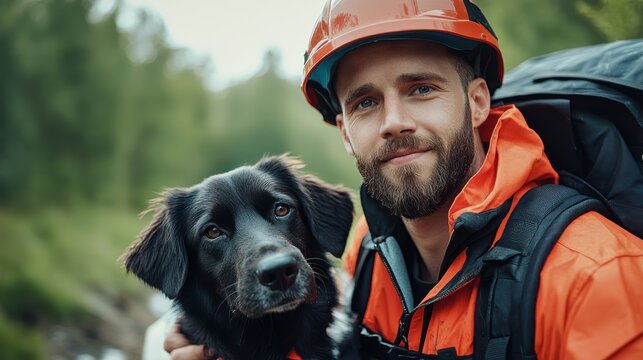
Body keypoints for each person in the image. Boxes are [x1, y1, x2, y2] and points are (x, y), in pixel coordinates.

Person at [163, 0, 643, 358]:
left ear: (478, 102)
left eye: (421, 88)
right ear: (347, 134)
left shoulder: (596, 278)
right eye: (365, 102)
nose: (394, 121)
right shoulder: (367, 252)